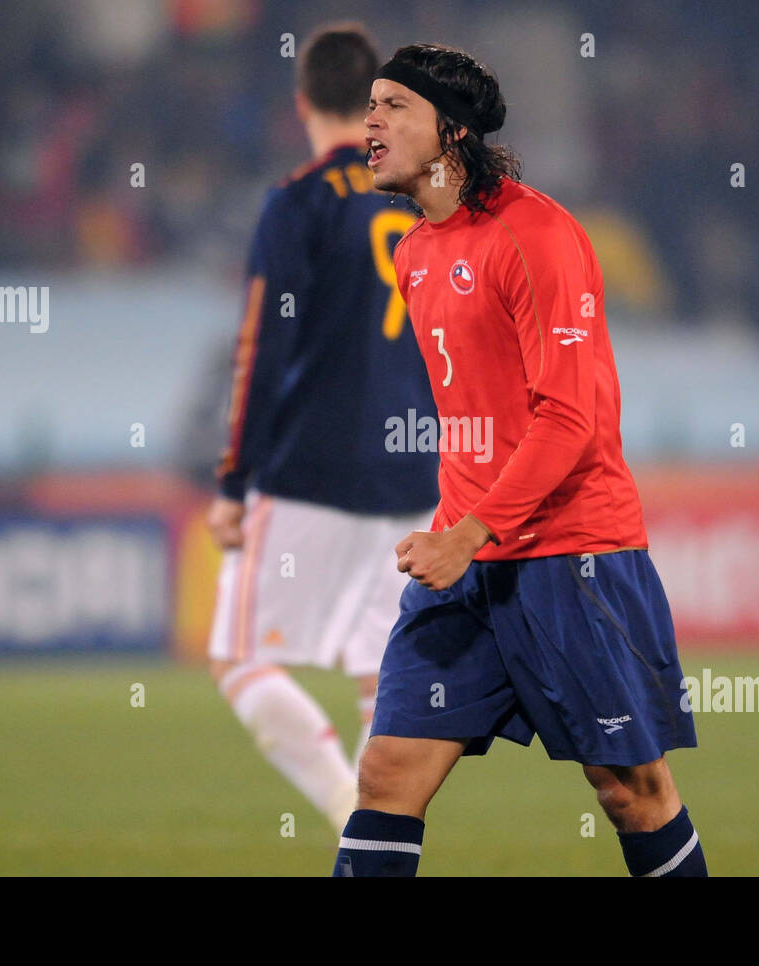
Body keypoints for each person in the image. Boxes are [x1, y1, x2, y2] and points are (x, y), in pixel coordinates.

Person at [332, 43, 705, 877]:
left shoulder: (537, 235)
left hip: (571, 553)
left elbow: (568, 419)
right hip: (467, 566)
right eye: (370, 104)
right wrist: (457, 535)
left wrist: (469, 532)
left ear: (452, 132)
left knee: (633, 790)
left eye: (394, 105)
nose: (372, 120)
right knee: (389, 772)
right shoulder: (414, 251)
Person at [207, 24, 438, 833]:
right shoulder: (421, 202)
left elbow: (260, 352)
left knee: (237, 656)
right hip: (417, 477)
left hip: (314, 468)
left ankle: (350, 813)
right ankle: (379, 841)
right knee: (385, 675)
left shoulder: (299, 201)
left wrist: (235, 482)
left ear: (302, 102)